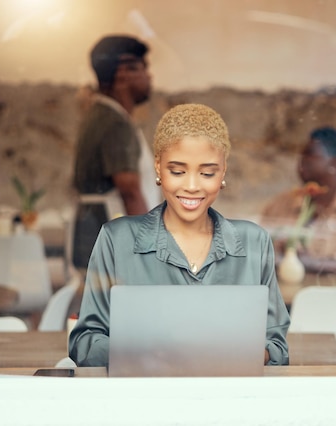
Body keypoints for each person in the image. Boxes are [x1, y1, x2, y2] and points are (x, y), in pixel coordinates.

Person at [69, 103, 290, 367]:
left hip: (228, 400)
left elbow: (277, 347)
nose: (192, 186)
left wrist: (233, 354)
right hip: (145, 400)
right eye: (177, 171)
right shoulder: (117, 240)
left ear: (223, 171)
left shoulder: (254, 243)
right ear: (158, 167)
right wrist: (155, 354)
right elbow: (84, 343)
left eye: (207, 173)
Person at [72, 34, 161, 271]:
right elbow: (130, 191)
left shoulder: (101, 115)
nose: (149, 76)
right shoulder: (114, 122)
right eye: (144, 68)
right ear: (124, 71)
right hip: (115, 246)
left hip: (98, 238)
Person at [259, 126, 336, 277]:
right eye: (302, 154)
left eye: (310, 154)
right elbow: (259, 252)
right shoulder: (280, 204)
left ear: (333, 164)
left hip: (331, 298)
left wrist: (307, 262)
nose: (301, 160)